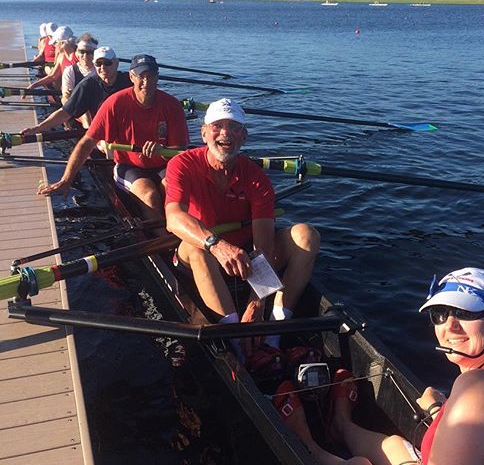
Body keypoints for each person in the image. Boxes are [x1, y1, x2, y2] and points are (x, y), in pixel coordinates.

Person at [275, 267, 484, 465]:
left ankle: (308, 445)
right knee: (395, 444)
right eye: (440, 314)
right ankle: (341, 425)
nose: (450, 325)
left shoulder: (477, 388)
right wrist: (437, 411)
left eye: (466, 313)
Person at [164, 98, 320, 348]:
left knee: (306, 235)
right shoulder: (181, 164)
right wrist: (217, 245)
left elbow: (263, 246)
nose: (225, 133)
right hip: (201, 254)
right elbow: (173, 218)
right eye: (217, 126)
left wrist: (256, 302)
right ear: (204, 133)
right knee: (196, 247)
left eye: (234, 127)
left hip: (244, 259)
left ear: (244, 137)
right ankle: (234, 338)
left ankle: (273, 333)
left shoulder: (257, 178)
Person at [37, 54, 189, 222]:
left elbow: (179, 151)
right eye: (141, 76)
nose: (147, 82)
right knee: (150, 194)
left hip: (163, 165)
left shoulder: (172, 105)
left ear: (157, 77)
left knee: (173, 190)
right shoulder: (115, 103)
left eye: (151, 76)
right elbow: (87, 142)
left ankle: (179, 236)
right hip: (129, 166)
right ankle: (164, 242)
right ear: (131, 77)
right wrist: (67, 180)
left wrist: (163, 152)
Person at [22, 47, 132, 136]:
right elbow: (65, 113)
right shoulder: (87, 85)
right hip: (103, 132)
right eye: (99, 63)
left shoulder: (130, 80)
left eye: (107, 63)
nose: (103, 67)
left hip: (128, 128)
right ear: (94, 64)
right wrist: (38, 128)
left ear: (116, 63)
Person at [27, 26, 76, 91]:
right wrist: (33, 85)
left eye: (55, 43)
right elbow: (53, 76)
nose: (54, 45)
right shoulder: (61, 56)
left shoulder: (79, 56)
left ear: (62, 43)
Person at [60, 33, 99, 105]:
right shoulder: (70, 71)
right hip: (77, 110)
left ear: (95, 54)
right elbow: (65, 96)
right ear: (76, 53)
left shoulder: (101, 70)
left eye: (89, 52)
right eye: (82, 52)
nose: (85, 56)